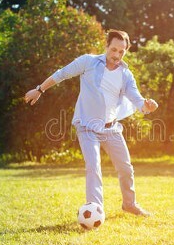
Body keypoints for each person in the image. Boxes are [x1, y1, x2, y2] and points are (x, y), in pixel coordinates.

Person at [24, 29, 159, 217]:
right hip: (87, 126)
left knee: (125, 168)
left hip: (111, 128)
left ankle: (130, 204)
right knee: (93, 166)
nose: (116, 55)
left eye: (121, 52)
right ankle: (96, 210)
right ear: (106, 46)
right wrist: (39, 89)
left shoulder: (126, 75)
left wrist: (146, 106)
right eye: (113, 50)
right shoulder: (88, 62)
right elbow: (61, 74)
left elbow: (136, 98)